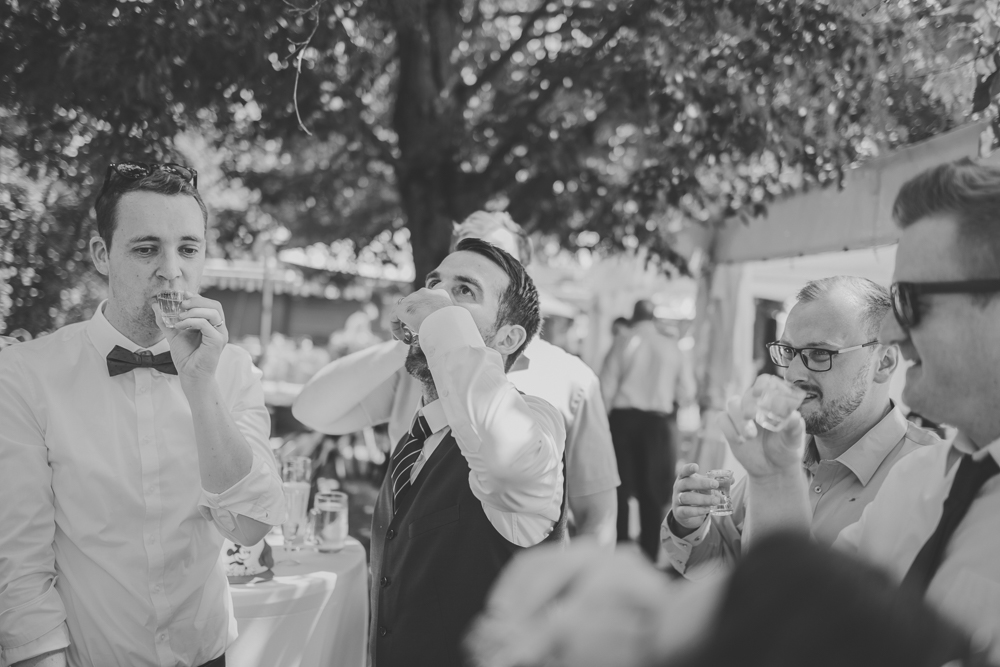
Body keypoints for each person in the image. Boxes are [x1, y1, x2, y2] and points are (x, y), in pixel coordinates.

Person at [0, 162, 285, 667]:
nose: (171, 269)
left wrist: (200, 387)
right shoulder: (25, 375)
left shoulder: (234, 370)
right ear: (102, 255)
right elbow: (19, 567)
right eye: (146, 248)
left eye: (188, 249)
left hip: (207, 655)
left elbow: (248, 526)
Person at [721, 158, 1000, 662]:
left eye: (912, 302)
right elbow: (802, 621)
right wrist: (773, 477)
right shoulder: (924, 480)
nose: (891, 335)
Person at [293, 211, 619, 545]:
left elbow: (597, 514)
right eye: (438, 283)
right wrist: (414, 334)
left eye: (466, 287)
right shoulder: (413, 370)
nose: (443, 297)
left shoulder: (572, 379)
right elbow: (312, 410)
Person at [367, 237, 565, 667]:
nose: (436, 297)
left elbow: (506, 462)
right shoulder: (415, 437)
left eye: (463, 291)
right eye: (433, 283)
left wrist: (441, 323)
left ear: (509, 337)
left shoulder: (535, 421)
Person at [662, 276, 940, 579]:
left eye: (820, 353)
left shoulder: (930, 475)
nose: (793, 373)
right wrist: (690, 524)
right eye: (788, 351)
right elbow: (732, 564)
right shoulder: (783, 449)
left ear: (884, 363)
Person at [599, 299, 695, 559]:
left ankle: (617, 551)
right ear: (654, 318)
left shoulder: (622, 341)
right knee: (653, 491)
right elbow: (686, 393)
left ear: (633, 316)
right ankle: (649, 554)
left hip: (622, 421)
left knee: (618, 488)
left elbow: (605, 387)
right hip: (656, 422)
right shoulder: (671, 346)